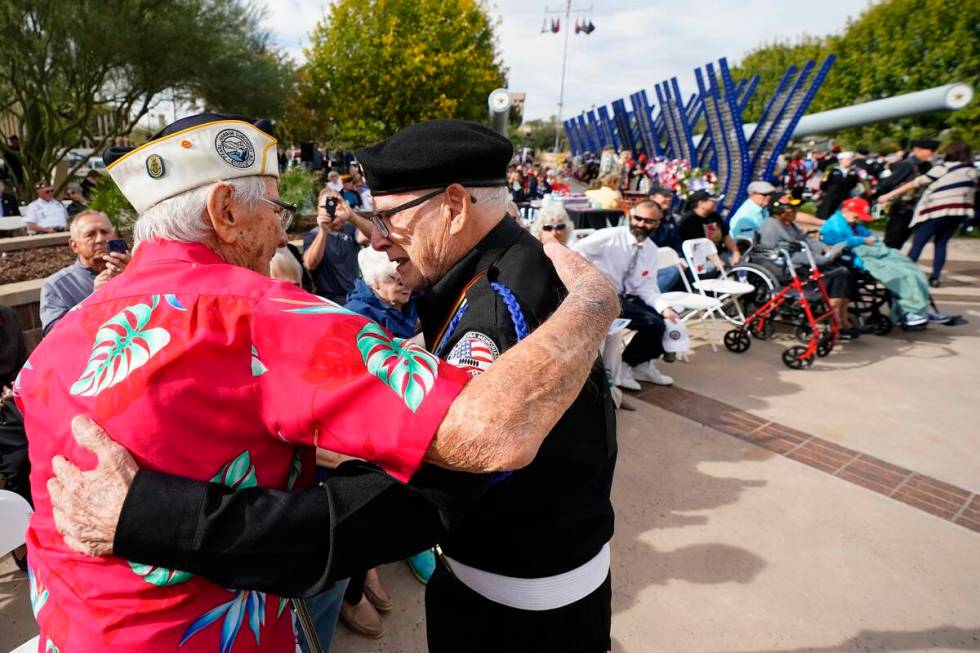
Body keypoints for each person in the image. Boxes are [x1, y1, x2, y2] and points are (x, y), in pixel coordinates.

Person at [39, 115, 619, 653]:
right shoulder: (261, 312)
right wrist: (595, 303)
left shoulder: (64, 333)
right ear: (225, 210)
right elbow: (492, 429)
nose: (281, 230)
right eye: (276, 209)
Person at [575, 199, 679, 389]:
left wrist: (665, 308)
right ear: (630, 215)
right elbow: (576, 250)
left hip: (625, 297)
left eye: (648, 221)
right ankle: (626, 365)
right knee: (652, 323)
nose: (640, 224)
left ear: (657, 224)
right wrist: (588, 278)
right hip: (602, 295)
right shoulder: (610, 236)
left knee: (663, 320)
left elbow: (646, 286)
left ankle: (641, 365)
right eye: (637, 218)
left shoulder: (651, 250)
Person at [820, 197, 943, 328]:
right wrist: (862, 240)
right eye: (857, 216)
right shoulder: (833, 226)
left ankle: (920, 308)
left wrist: (868, 240)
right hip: (856, 258)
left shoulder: (853, 224)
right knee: (902, 274)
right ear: (846, 210)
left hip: (873, 253)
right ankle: (910, 311)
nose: (859, 220)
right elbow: (837, 242)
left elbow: (870, 235)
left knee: (914, 270)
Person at [879, 141, 977, 287]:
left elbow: (916, 182)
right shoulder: (972, 171)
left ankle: (906, 274)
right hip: (958, 212)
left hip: (935, 211)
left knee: (919, 243)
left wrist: (889, 195)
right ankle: (935, 277)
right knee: (941, 244)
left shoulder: (943, 168)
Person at [757, 196, 856, 339]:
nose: (796, 211)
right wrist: (821, 259)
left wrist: (824, 248)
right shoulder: (771, 226)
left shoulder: (789, 224)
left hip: (796, 261)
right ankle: (837, 321)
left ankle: (842, 318)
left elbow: (803, 240)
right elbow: (782, 254)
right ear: (780, 210)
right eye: (792, 209)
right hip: (782, 266)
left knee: (843, 272)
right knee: (835, 275)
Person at [39, 210, 129, 335]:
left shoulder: (131, 270)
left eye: (105, 232)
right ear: (74, 246)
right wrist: (95, 300)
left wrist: (132, 277)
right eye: (90, 234)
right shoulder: (57, 286)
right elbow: (55, 335)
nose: (100, 239)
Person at [302, 187, 367, 303]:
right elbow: (310, 264)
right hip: (329, 301)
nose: (331, 209)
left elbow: (374, 236)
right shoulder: (313, 235)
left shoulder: (349, 229)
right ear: (318, 210)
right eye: (325, 206)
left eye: (336, 204)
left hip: (355, 297)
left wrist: (352, 216)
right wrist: (323, 231)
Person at [877, 139, 939, 248]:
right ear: (917, 150)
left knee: (902, 240)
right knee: (892, 241)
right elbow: (887, 184)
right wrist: (892, 197)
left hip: (916, 208)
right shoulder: (908, 164)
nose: (933, 153)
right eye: (931, 150)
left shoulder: (926, 165)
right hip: (902, 208)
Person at [678, 189, 740, 266]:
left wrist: (735, 252)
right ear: (701, 203)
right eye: (713, 201)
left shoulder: (715, 216)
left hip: (719, 253)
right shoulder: (688, 220)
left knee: (741, 263)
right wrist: (716, 260)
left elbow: (725, 236)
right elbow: (697, 246)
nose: (716, 203)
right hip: (699, 259)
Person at [817, 151, 861, 220]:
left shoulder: (853, 172)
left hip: (845, 197)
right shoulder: (831, 170)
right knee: (826, 214)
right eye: (848, 159)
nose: (850, 161)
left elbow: (854, 184)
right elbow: (823, 183)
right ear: (842, 160)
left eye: (850, 159)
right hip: (831, 196)